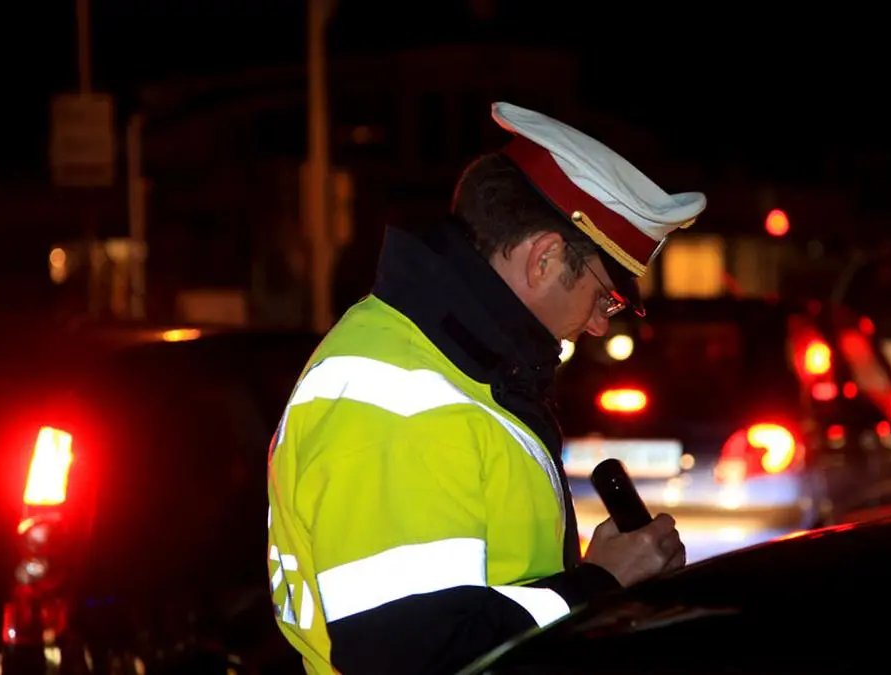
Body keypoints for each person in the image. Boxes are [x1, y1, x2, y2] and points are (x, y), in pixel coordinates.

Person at [266, 101, 707, 675]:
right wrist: (598, 585)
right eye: (608, 296)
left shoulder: (449, 365)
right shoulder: (404, 401)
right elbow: (409, 655)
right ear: (545, 259)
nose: (601, 323)